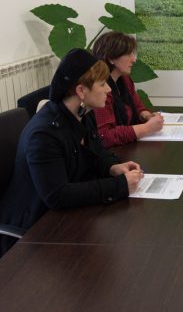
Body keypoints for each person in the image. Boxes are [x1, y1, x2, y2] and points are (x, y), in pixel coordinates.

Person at [0, 49, 144, 256]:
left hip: (64, 218)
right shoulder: (44, 135)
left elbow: (95, 152)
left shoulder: (82, 113)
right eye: (102, 84)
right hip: (33, 231)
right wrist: (120, 186)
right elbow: (58, 196)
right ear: (81, 91)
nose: (108, 90)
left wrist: (112, 166)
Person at [92, 31, 164, 148]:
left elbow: (138, 107)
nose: (134, 59)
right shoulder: (101, 89)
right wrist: (146, 128)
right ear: (111, 58)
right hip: (112, 156)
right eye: (128, 54)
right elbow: (104, 136)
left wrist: (146, 115)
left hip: (127, 148)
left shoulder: (125, 79)